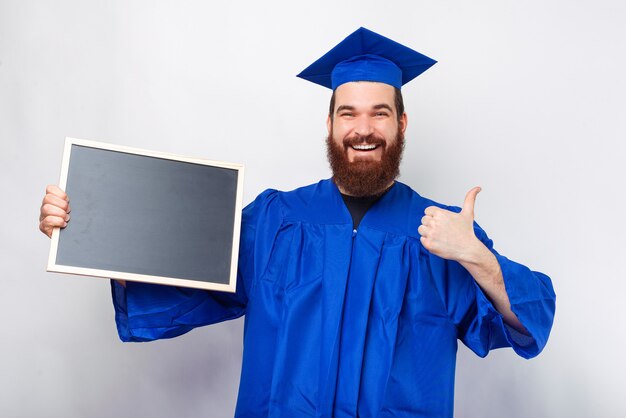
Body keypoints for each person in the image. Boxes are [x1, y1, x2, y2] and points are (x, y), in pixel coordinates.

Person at [39, 27, 556, 417]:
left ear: (401, 124)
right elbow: (183, 285)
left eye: (379, 113)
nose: (363, 129)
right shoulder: (274, 221)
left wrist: (476, 255)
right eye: (348, 113)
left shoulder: (442, 234)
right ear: (329, 124)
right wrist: (86, 227)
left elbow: (528, 324)